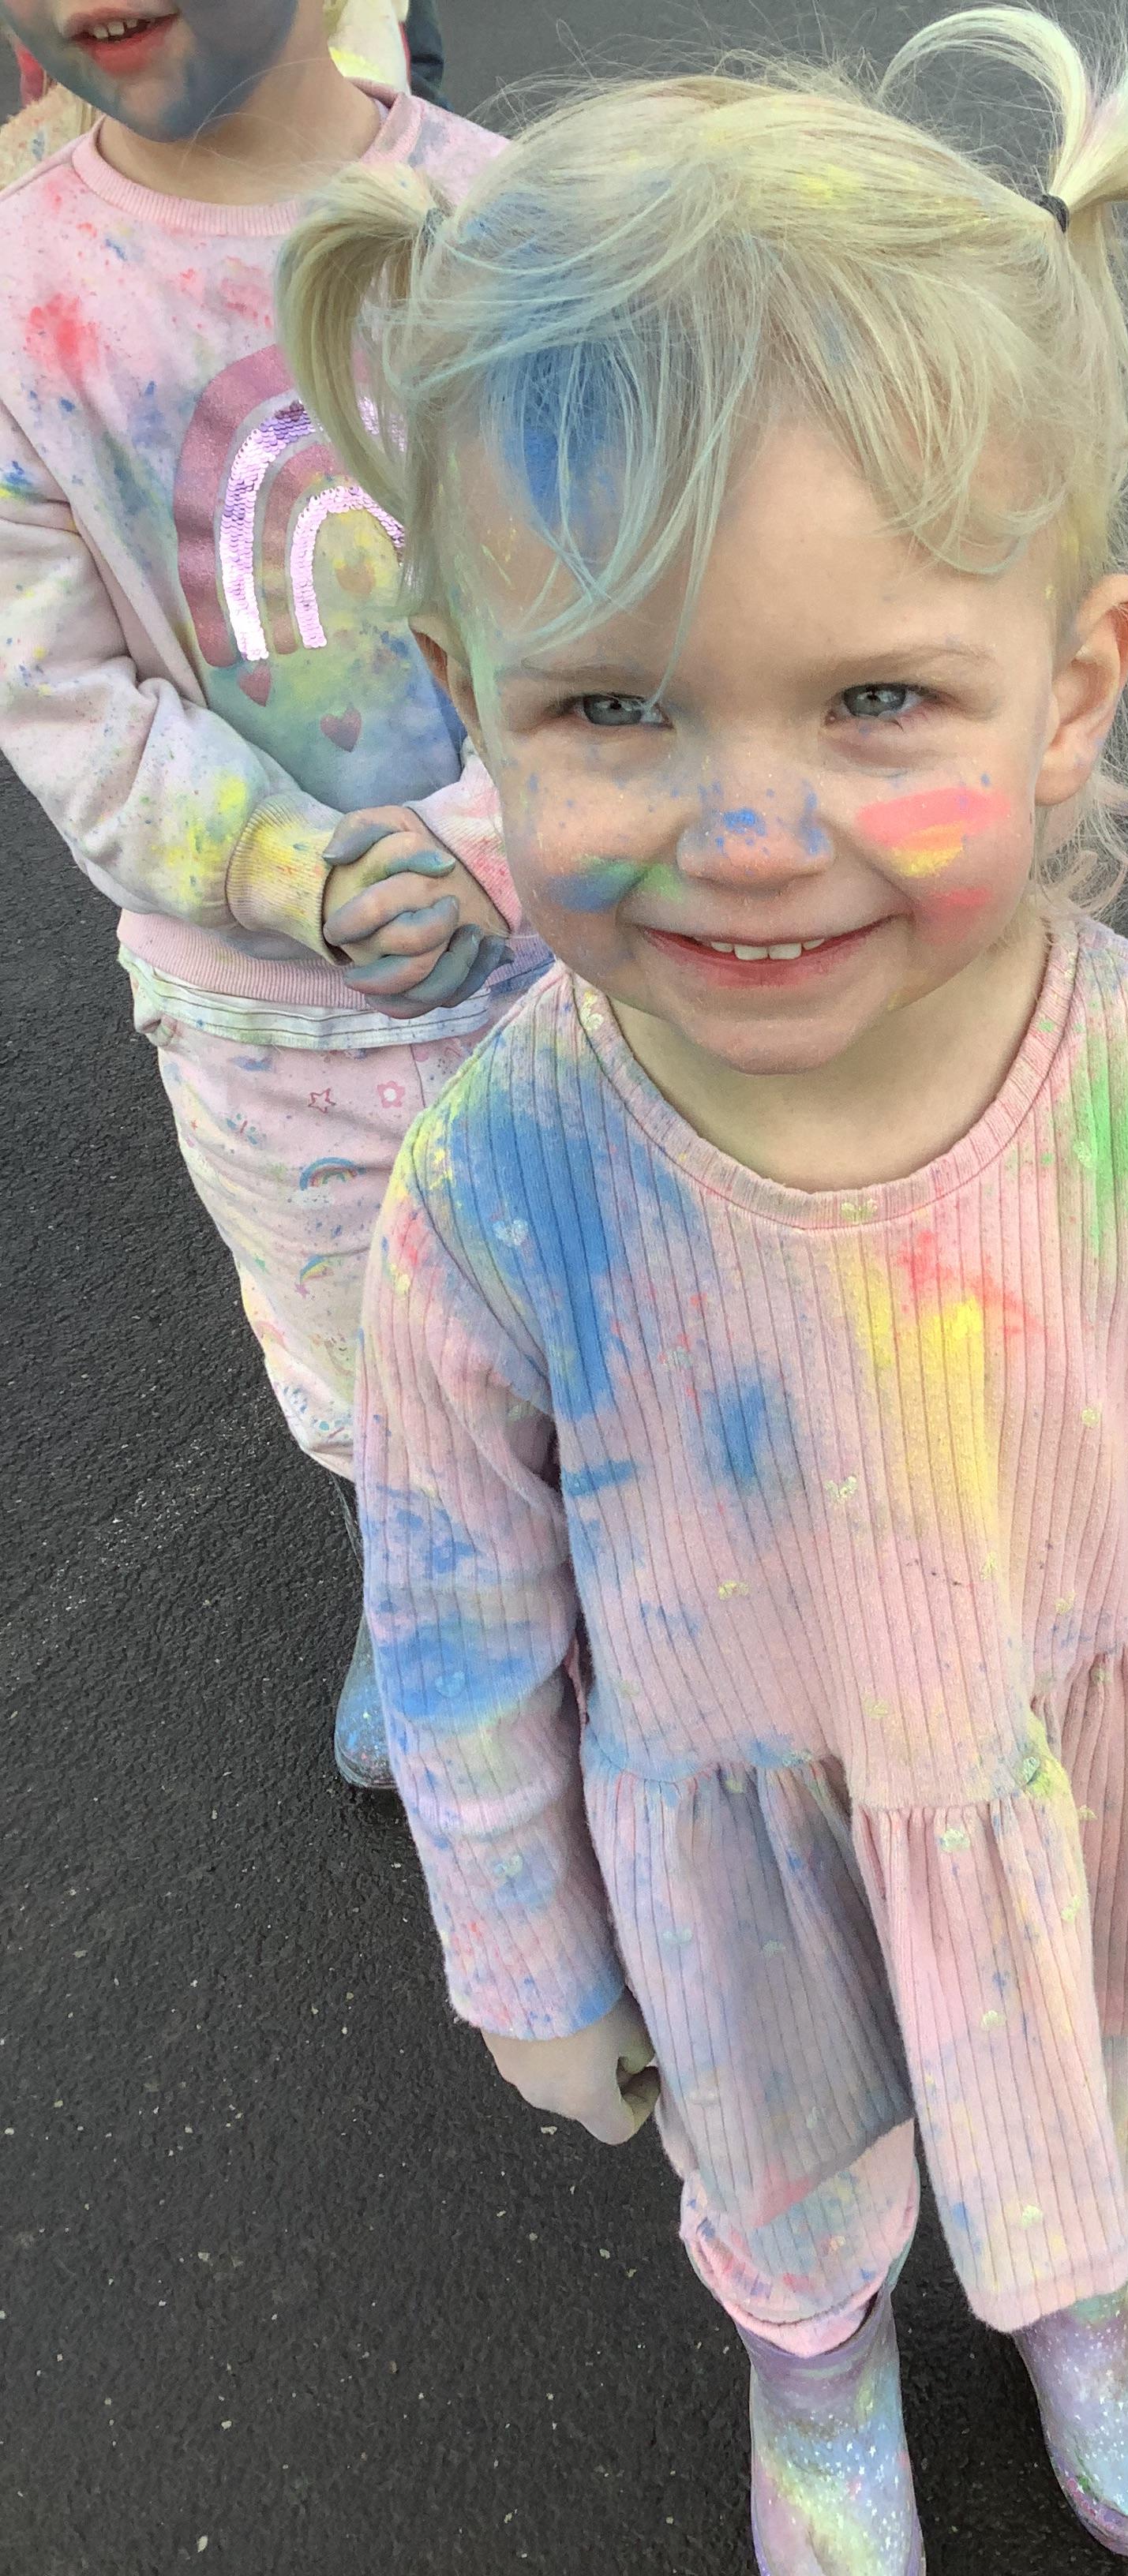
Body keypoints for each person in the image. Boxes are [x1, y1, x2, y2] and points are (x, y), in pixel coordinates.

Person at [281, 2, 1128, 2563]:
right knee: (782, 2176)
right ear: (462, 697)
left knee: (1088, 2107)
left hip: (1066, 1816)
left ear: (1067, 688)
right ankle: (812, 2366)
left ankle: (1072, 2283)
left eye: (877, 697)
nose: (750, 828)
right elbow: (456, 1618)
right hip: (728, 1861)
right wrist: (526, 1960)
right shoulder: (497, 1181)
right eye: (613, 706)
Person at [0, 0, 543, 1788]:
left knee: (617, 1310)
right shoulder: (19, 300)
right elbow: (61, 698)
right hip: (267, 1029)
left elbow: (637, 586)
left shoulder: (519, 226)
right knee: (364, 1355)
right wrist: (295, 869)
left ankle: (639, 1590)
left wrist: (490, 838)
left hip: (575, 961)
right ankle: (429, 1591)